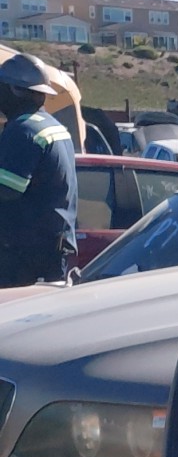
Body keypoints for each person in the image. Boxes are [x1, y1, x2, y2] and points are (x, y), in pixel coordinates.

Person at [0, 53, 76, 285]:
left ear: (14, 90)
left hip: (23, 255)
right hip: (51, 249)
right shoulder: (54, 126)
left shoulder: (23, 130)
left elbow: (7, 191)